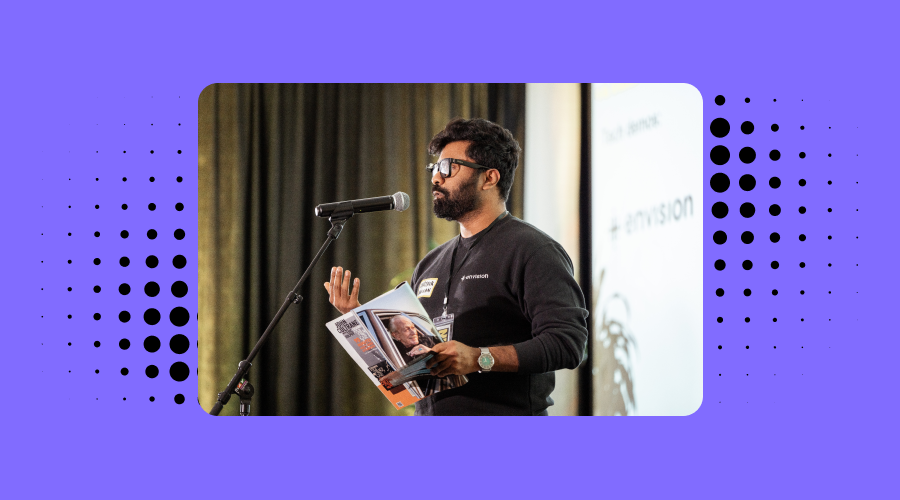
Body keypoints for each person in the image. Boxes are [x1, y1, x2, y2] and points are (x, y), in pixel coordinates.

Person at [325, 118, 589, 415]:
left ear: (489, 178)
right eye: (434, 168)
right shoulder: (430, 263)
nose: (436, 178)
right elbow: (412, 366)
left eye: (448, 167)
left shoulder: (532, 250)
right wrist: (365, 324)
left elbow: (568, 343)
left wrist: (478, 358)